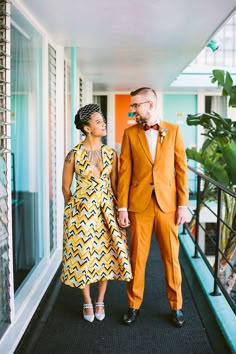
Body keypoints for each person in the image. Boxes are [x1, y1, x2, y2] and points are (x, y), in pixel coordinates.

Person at [117, 87, 189, 327]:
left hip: (168, 206)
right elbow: (124, 173)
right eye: (133, 106)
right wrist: (122, 207)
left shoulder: (174, 131)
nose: (133, 109)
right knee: (137, 258)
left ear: (150, 105)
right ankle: (133, 305)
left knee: (172, 258)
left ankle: (176, 306)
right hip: (139, 206)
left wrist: (183, 205)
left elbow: (181, 170)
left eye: (136, 105)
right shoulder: (129, 134)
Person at [61, 103, 132, 323]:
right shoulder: (73, 154)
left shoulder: (111, 153)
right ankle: (87, 301)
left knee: (106, 254)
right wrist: (74, 209)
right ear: (87, 128)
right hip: (81, 214)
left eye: (103, 120)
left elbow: (116, 185)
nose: (104, 124)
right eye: (98, 122)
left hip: (106, 213)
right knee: (83, 257)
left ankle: (100, 299)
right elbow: (65, 188)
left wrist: (120, 210)